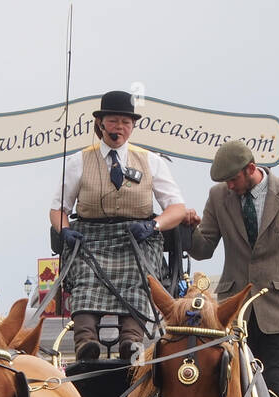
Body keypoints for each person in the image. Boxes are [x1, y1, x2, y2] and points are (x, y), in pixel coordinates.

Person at [50, 89, 188, 360]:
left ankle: (131, 340)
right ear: (101, 123)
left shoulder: (152, 162)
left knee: (142, 274)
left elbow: (178, 208)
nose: (120, 128)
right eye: (114, 121)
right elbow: (58, 209)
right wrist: (65, 230)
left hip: (135, 238)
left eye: (126, 122)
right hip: (91, 237)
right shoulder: (78, 161)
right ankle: (86, 343)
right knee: (85, 278)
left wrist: (153, 226)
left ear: (133, 126)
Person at [187, 139, 279, 397]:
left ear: (251, 168)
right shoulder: (218, 197)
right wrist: (186, 229)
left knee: (274, 393)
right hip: (235, 314)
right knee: (231, 391)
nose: (229, 186)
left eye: (232, 179)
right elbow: (203, 248)